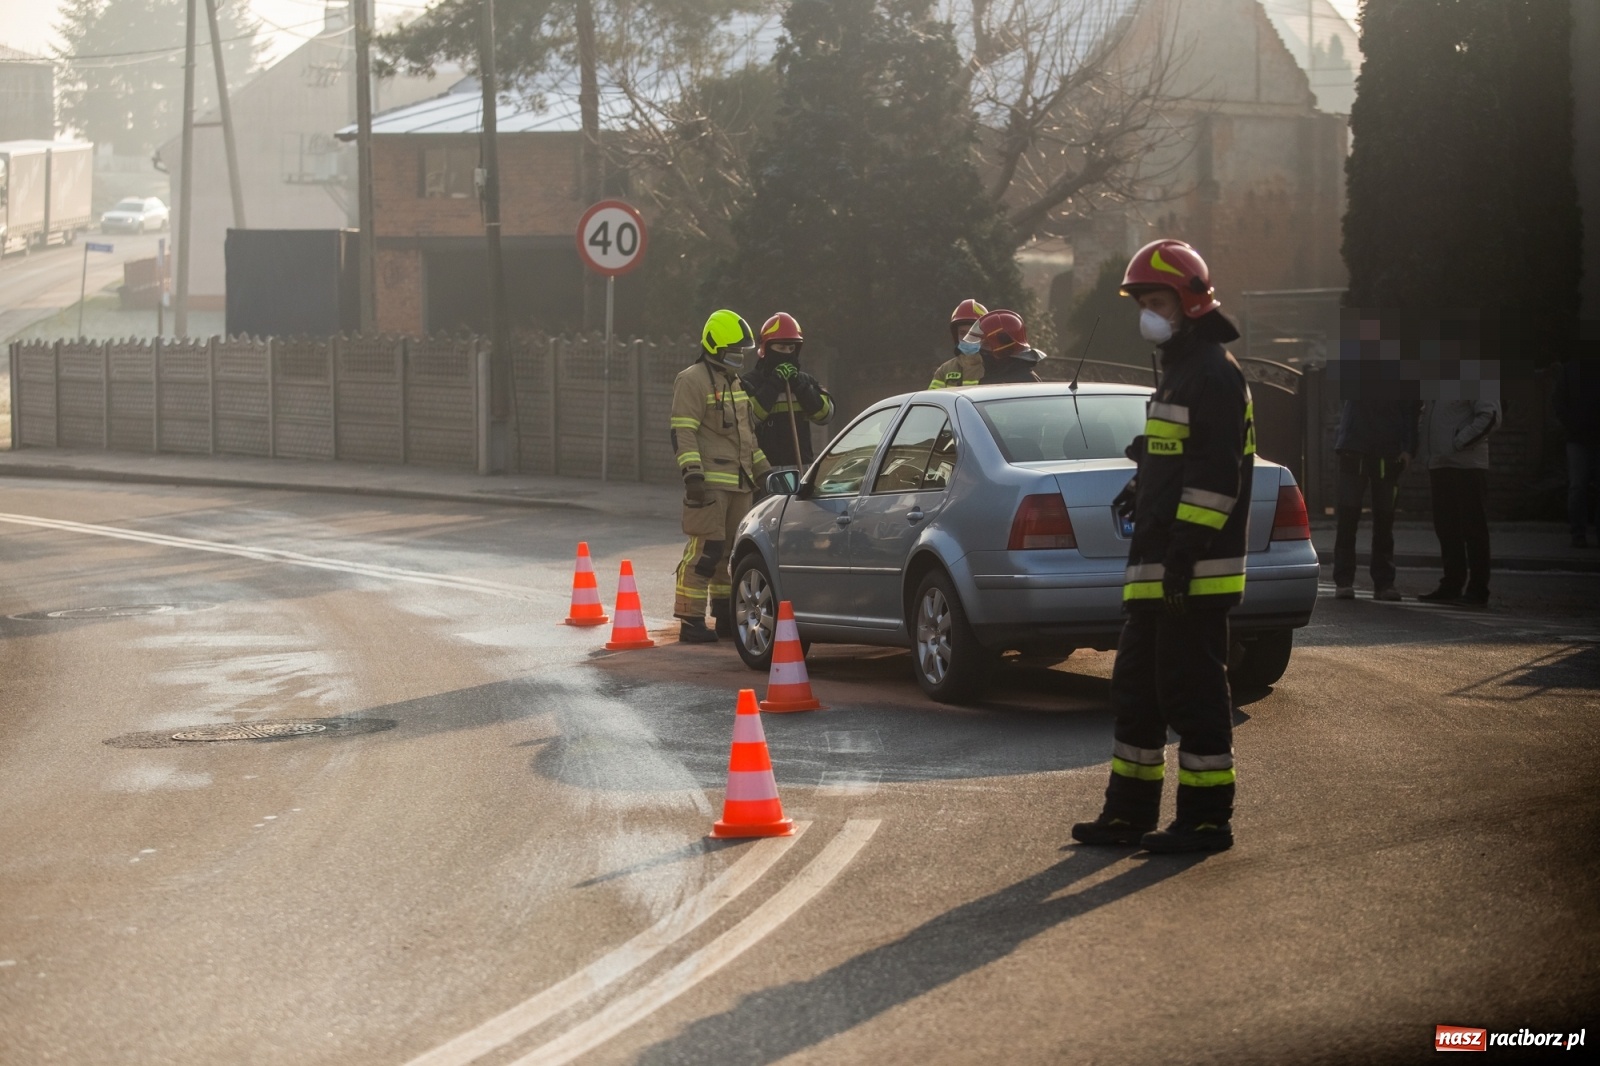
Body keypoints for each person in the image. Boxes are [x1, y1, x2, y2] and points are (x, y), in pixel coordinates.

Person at [1071, 239, 1255, 854]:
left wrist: (1184, 551)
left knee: (1193, 694)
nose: (1147, 312)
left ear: (1191, 303)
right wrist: (1139, 480)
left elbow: (1215, 476)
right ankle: (1128, 816)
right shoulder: (1180, 373)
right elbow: (1175, 458)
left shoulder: (1213, 374)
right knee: (1137, 694)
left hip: (1193, 572)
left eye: (1157, 300)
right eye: (1143, 301)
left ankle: (1206, 819)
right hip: (1156, 569)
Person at [670, 310, 771, 643]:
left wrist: (766, 473)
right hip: (710, 484)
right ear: (714, 346)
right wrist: (692, 475)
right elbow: (683, 430)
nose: (738, 356)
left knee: (730, 552)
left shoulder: (735, 383)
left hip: (740, 483)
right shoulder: (692, 379)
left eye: (741, 350)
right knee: (706, 550)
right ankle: (690, 620)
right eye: (732, 350)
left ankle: (726, 616)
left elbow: (747, 438)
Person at [1331, 384, 1420, 601]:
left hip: (1387, 451)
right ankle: (1344, 581)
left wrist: (1409, 448)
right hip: (1355, 448)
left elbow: (1411, 409)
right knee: (1348, 518)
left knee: (1384, 519)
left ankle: (1384, 583)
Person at [1417, 390, 1500, 607]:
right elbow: (1428, 413)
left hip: (1467, 465)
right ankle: (1452, 584)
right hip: (1440, 463)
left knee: (1473, 529)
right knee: (1446, 528)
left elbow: (1490, 415)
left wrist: (1458, 443)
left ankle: (1478, 590)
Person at [740, 312, 835, 469]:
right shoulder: (749, 382)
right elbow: (749, 419)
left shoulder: (804, 381)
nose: (786, 353)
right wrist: (773, 384)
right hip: (764, 473)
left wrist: (800, 387)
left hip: (800, 470)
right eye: (781, 347)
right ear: (766, 349)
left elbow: (826, 415)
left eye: (791, 348)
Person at [1551, 355, 1600, 547]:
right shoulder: (1570, 369)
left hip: (1586, 437)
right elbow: (1558, 400)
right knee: (1577, 487)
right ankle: (1578, 534)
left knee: (1579, 487)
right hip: (1577, 439)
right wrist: (1571, 425)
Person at [964, 309, 1045, 384]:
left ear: (1004, 347)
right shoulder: (990, 378)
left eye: (986, 344)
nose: (981, 349)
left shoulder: (1027, 381)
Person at [928, 299, 988, 389]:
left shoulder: (995, 368)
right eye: (962, 333)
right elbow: (932, 400)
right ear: (956, 336)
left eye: (973, 333)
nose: (967, 338)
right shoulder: (945, 370)